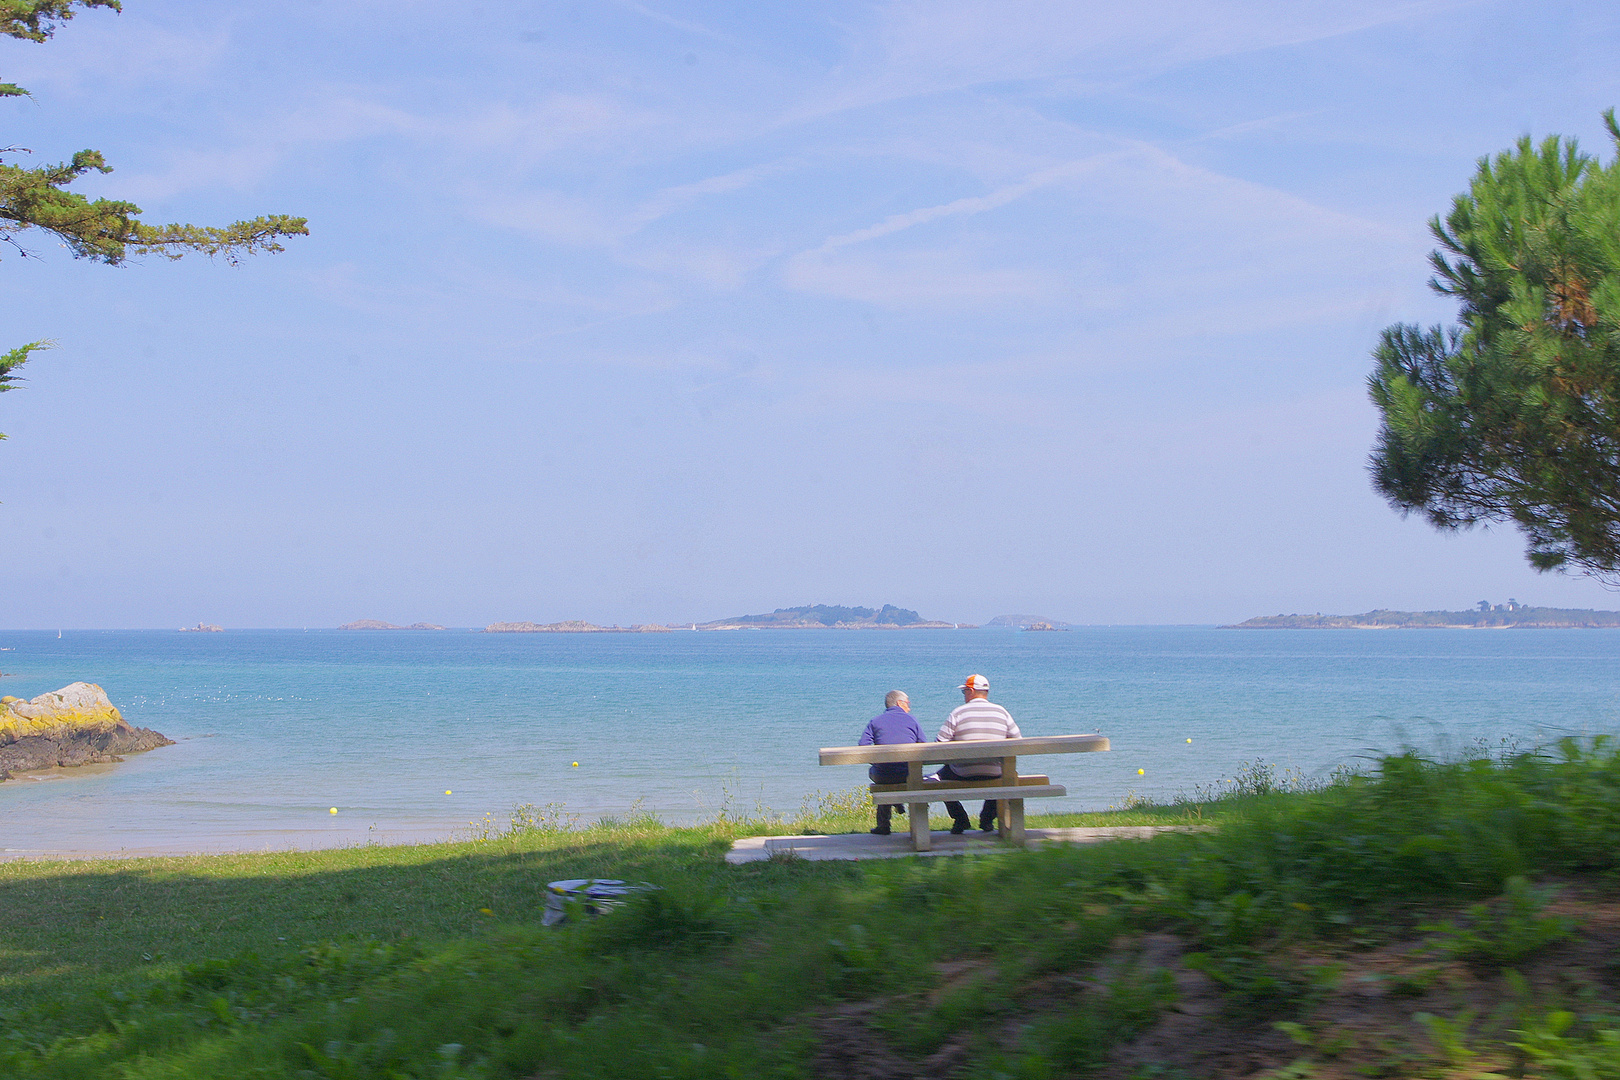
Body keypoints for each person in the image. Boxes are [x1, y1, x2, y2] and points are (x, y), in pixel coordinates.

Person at [936, 673, 1021, 834]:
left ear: (971, 691)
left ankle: (960, 818)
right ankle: (987, 819)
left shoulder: (958, 713)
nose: (964, 695)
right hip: (995, 772)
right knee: (1007, 775)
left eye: (964, 692)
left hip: (963, 772)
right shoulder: (1001, 712)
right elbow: (1017, 740)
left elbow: (939, 744)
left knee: (938, 777)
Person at [858, 690, 925, 835]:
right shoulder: (912, 720)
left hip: (883, 775)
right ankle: (896, 803)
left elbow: (863, 746)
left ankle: (884, 824)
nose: (909, 707)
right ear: (899, 703)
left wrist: (876, 762)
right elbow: (923, 746)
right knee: (895, 774)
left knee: (879, 775)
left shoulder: (875, 721)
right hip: (908, 774)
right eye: (908, 703)